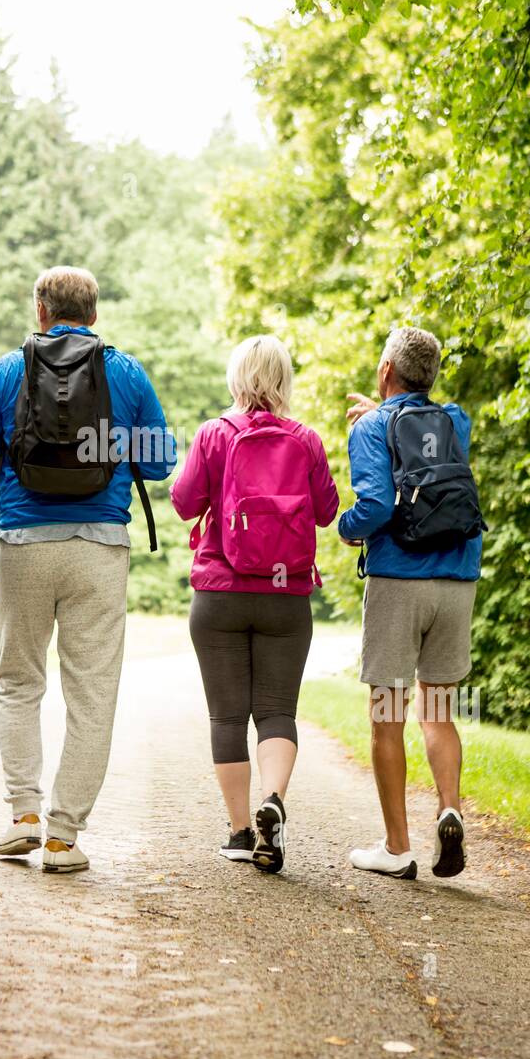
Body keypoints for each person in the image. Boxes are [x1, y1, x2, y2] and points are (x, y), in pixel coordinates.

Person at [0, 266, 175, 874]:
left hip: (25, 542)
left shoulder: (11, 370)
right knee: (91, 693)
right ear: (93, 312)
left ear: (41, 310)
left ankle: (23, 816)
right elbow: (161, 460)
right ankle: (63, 838)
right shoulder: (127, 371)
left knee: (17, 680)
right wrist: (111, 451)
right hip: (100, 547)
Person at [171, 335, 339, 872]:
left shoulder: (214, 435)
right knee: (276, 712)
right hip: (286, 596)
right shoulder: (307, 439)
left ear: (236, 378)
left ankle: (242, 831)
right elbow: (328, 511)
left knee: (227, 715)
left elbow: (182, 502)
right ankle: (275, 802)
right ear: (284, 380)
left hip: (219, 592)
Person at [340, 326, 482, 881]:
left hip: (399, 580)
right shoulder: (457, 421)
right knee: (439, 709)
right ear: (433, 375)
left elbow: (375, 505)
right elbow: (426, 447)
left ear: (384, 370)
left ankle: (397, 847)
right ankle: (449, 807)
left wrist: (348, 529)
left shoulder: (372, 426)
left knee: (386, 717)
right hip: (457, 579)